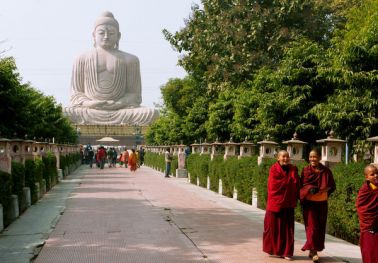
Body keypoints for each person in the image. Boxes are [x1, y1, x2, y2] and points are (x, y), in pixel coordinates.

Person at [63, 11, 158, 125]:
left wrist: (119, 103)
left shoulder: (130, 59)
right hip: (90, 110)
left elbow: (134, 95)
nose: (106, 37)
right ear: (94, 35)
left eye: (111, 33)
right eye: (101, 33)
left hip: (121, 110)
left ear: (119, 36)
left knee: (152, 113)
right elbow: (76, 94)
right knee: (63, 113)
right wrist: (90, 103)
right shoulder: (81, 58)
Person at [299, 150, 336, 262]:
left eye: (315, 157)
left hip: (322, 203)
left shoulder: (326, 171)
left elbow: (331, 186)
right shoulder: (305, 170)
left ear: (319, 157)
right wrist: (310, 188)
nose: (312, 159)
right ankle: (313, 250)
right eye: (310, 157)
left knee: (320, 227)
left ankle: (313, 250)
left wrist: (323, 190)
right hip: (310, 204)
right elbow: (302, 186)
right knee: (311, 227)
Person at [263, 150, 299, 261]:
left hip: (288, 204)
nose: (285, 159)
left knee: (287, 230)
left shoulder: (293, 169)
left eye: (287, 157)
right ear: (278, 158)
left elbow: (297, 184)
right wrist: (288, 183)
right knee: (273, 228)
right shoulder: (274, 169)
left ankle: (287, 252)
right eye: (283, 157)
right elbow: (273, 186)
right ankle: (276, 250)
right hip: (275, 203)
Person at [356, 164, 378, 263]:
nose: (376, 176)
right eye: (372, 174)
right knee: (370, 252)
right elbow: (361, 207)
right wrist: (369, 221)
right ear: (367, 177)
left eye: (377, 173)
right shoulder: (365, 189)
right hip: (369, 226)